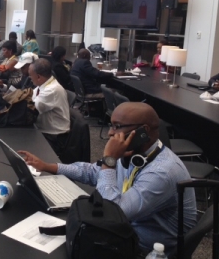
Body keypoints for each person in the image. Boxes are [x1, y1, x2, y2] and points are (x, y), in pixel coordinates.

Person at [18, 102, 197, 256]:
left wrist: (109, 161)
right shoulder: (135, 153)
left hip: (147, 249)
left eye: (118, 126)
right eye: (111, 125)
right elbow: (93, 172)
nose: (111, 133)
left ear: (144, 131)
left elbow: (113, 214)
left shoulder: (162, 172)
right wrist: (49, 167)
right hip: (127, 231)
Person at [28, 58, 70, 153]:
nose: (30, 78)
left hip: (53, 137)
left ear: (38, 76)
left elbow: (32, 108)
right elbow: (29, 97)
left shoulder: (52, 90)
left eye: (31, 76)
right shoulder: (44, 84)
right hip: (44, 130)